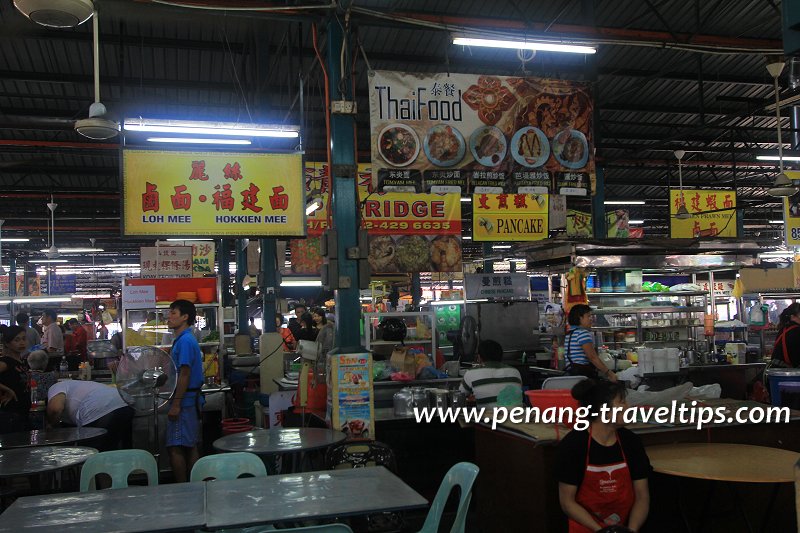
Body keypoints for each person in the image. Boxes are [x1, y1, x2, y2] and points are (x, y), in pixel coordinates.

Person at [557, 380, 651, 532]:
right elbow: (567, 502)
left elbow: (642, 496)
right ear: (604, 410)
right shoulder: (574, 445)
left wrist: (631, 530)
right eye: (622, 402)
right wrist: (601, 531)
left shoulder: (631, 442)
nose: (628, 407)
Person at [165, 299, 205, 483]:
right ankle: (193, 487)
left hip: (186, 402)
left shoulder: (186, 341)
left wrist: (176, 404)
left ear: (185, 317)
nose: (169, 316)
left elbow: (185, 374)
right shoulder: (182, 340)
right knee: (189, 445)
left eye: (174, 313)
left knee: (177, 447)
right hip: (188, 401)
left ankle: (184, 489)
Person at [46, 380, 134, 451]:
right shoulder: (80, 385)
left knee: (90, 454)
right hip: (126, 402)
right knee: (119, 452)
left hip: (97, 409)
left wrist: (51, 424)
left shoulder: (55, 387)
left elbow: (55, 409)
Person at [459, 339, 522, 408]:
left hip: (488, 417)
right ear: (501, 356)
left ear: (479, 358)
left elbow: (460, 395)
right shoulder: (515, 371)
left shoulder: (471, 372)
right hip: (517, 417)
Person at [565, 304, 616, 381]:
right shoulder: (582, 333)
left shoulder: (570, 333)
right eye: (588, 316)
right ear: (580, 318)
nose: (591, 319)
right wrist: (609, 373)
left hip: (571, 375)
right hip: (581, 376)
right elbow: (592, 357)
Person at [0, 325, 31, 433]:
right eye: (16, 340)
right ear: (8, 344)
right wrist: (8, 390)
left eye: (23, 338)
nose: (21, 343)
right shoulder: (6, 362)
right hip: (10, 415)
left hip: (22, 412)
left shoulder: (22, 361)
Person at [771, 303, 800, 367]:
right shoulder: (796, 330)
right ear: (792, 317)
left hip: (776, 370)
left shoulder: (784, 329)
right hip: (786, 373)